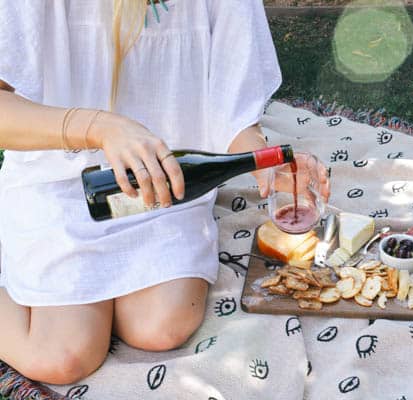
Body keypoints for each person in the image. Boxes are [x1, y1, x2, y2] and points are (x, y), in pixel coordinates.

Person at [0, 0, 329, 385]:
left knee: (160, 327)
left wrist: (266, 163)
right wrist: (98, 127)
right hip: (59, 183)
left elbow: (233, 110)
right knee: (63, 356)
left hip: (168, 188)